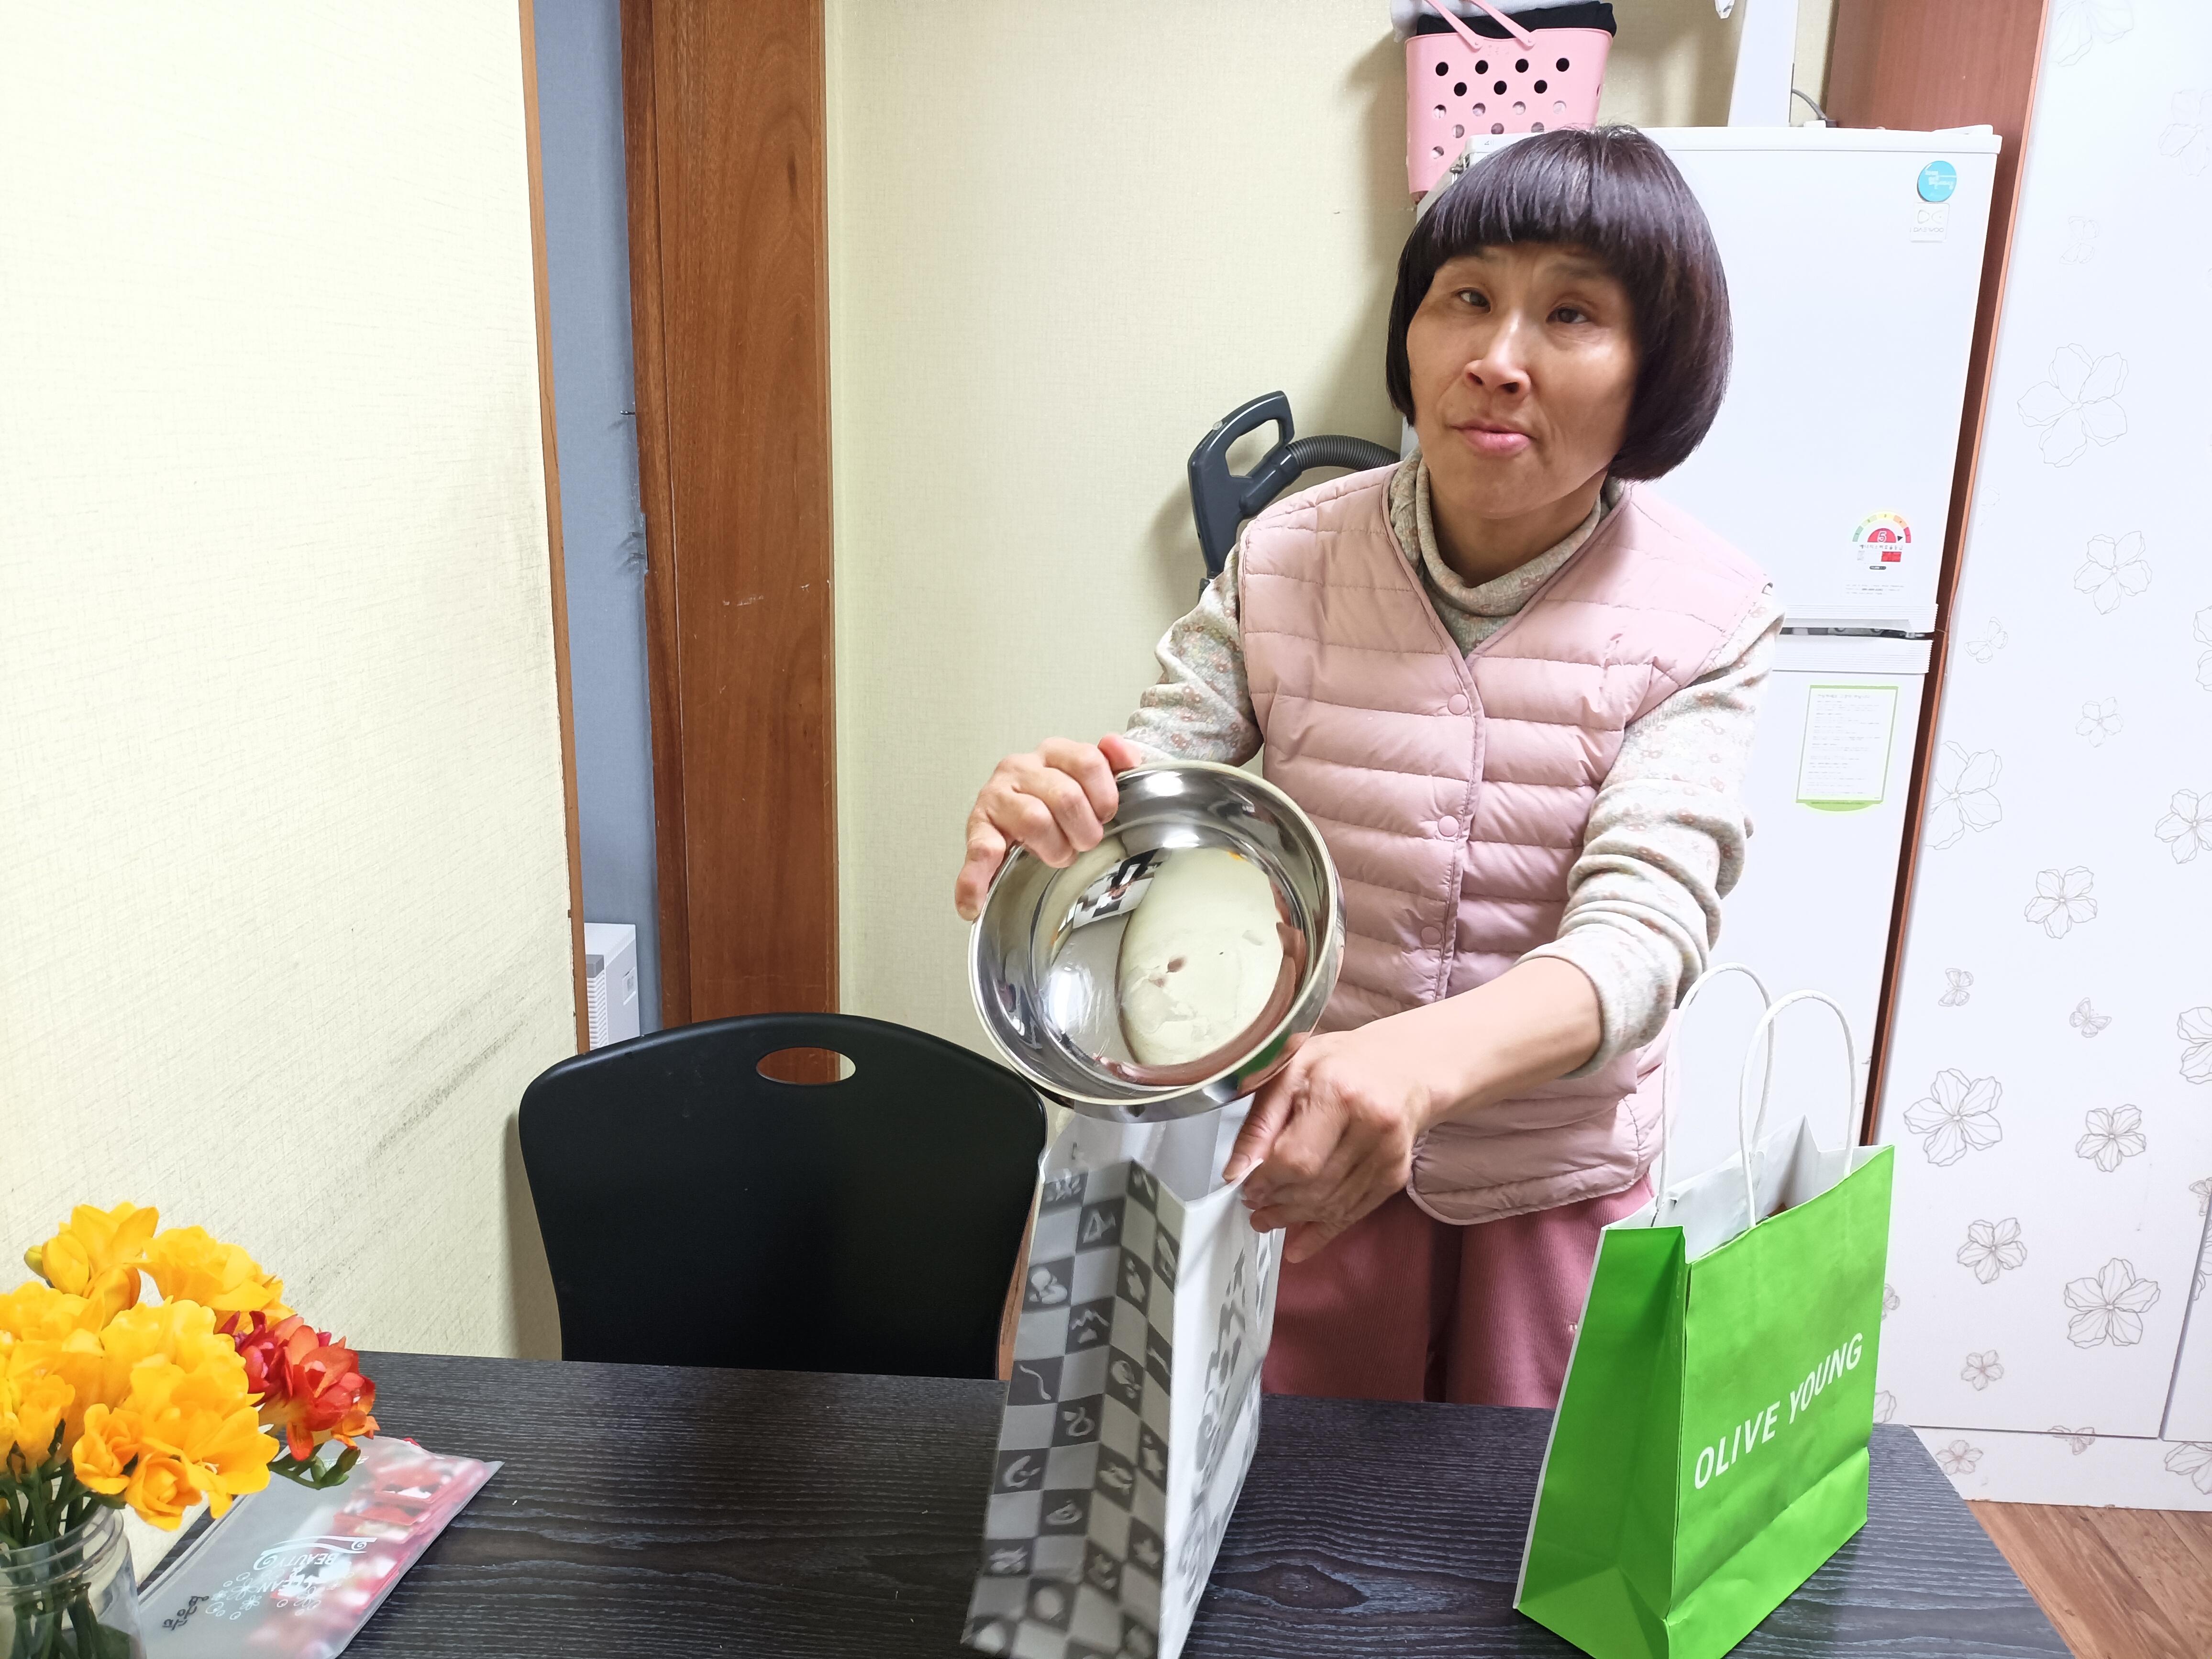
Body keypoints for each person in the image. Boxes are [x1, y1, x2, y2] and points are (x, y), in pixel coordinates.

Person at [952, 126, 1778, 1410]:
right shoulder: (1287, 555)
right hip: (1305, 1167)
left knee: (1513, 1523)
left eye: (1570, 314)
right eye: (1467, 299)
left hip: (1543, 1189)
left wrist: (1415, 1064)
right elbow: (1158, 782)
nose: (1497, 358)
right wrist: (1055, 822)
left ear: (1654, 369)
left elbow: (1646, 932)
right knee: (1283, 1512)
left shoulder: (1708, 612)